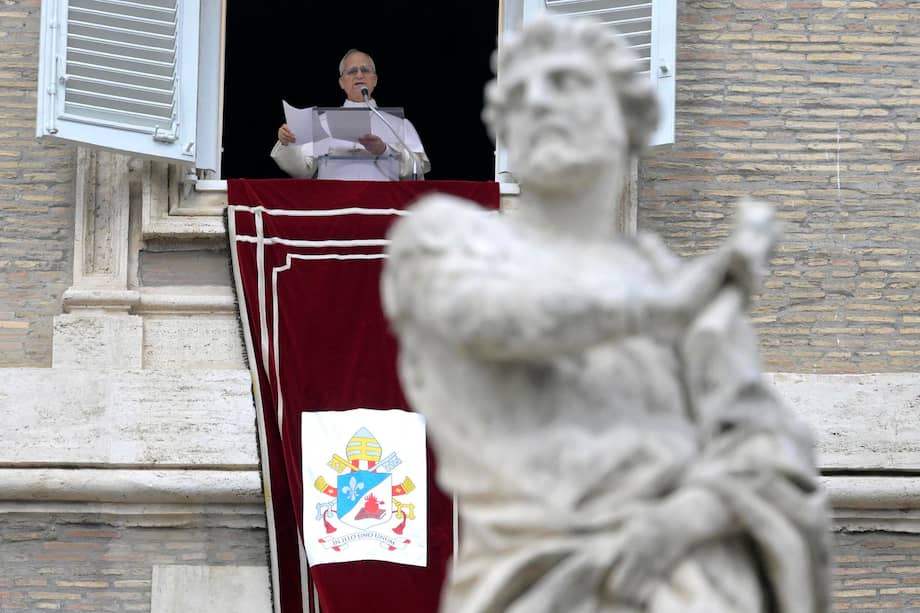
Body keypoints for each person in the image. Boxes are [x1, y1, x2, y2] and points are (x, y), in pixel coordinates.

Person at [381, 16, 829, 613]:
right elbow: (491, 320)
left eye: (564, 82)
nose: (536, 102)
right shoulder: (449, 240)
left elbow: (768, 445)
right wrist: (664, 308)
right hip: (539, 583)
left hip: (699, 581)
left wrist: (685, 519)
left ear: (628, 116)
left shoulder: (671, 278)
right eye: (517, 96)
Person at [271, 49, 430, 181]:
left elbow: (417, 170)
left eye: (365, 70)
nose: (359, 75)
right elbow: (302, 172)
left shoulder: (398, 124)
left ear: (374, 80)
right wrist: (288, 143)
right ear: (342, 82)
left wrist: (384, 150)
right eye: (352, 71)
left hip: (381, 208)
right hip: (334, 208)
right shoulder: (321, 122)